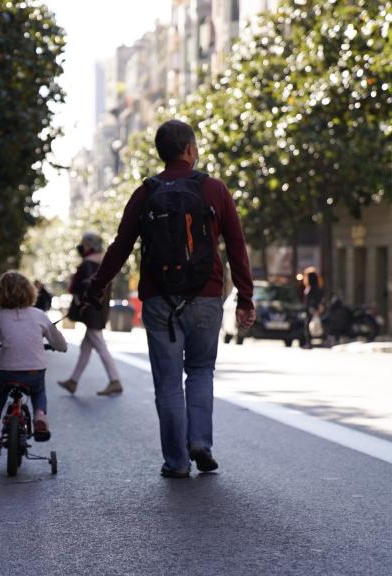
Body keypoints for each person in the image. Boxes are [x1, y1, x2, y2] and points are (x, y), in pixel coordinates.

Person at [82, 119, 256, 478]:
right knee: (201, 371)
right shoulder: (215, 190)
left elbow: (119, 248)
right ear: (190, 149)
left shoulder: (146, 192)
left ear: (161, 153)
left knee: (167, 381)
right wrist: (244, 298)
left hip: (159, 300)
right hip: (206, 297)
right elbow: (236, 247)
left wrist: (96, 287)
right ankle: (200, 443)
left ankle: (176, 461)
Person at [0, 271, 68, 445]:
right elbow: (59, 343)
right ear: (30, 291)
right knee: (38, 391)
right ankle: (40, 416)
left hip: (8, 373)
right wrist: (60, 347)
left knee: (0, 392)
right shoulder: (39, 315)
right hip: (34, 372)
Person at [58, 232, 123, 396]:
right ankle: (73, 381)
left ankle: (115, 381)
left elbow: (82, 287)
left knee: (100, 346)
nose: (82, 246)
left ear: (90, 244)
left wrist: (81, 303)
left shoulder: (88, 263)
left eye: (85, 243)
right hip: (98, 309)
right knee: (85, 347)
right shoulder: (105, 262)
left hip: (90, 310)